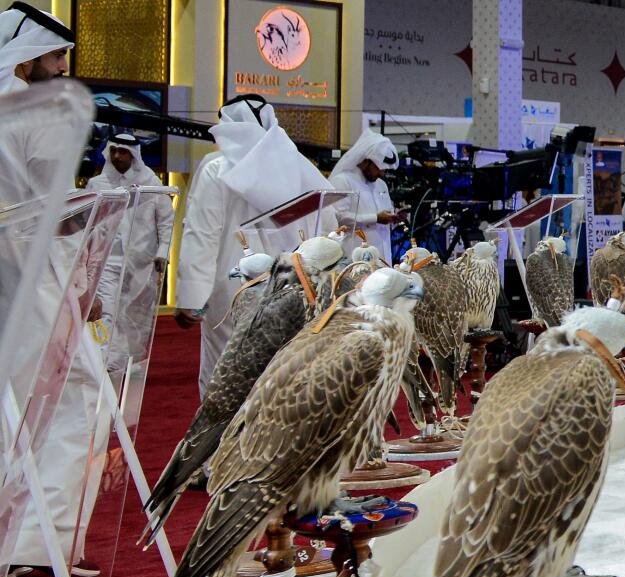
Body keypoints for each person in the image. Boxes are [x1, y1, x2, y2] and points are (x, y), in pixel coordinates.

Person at [0, 3, 109, 577]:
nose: (64, 65)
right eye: (56, 55)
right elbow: (54, 210)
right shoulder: (34, 117)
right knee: (74, 395)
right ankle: (37, 546)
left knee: (12, 406)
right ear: (24, 63)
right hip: (34, 274)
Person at [174, 94, 332, 396]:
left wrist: (191, 296)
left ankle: (224, 442)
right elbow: (323, 227)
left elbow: (202, 235)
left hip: (233, 289)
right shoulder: (297, 164)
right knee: (278, 374)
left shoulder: (215, 168)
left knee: (226, 374)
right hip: (289, 287)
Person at [86, 132, 175, 375]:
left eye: (123, 151)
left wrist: (163, 251)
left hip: (140, 261)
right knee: (106, 309)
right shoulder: (98, 185)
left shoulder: (151, 182)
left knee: (134, 314)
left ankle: (127, 360)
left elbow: (166, 220)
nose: (117, 156)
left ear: (134, 154)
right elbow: (87, 226)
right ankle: (103, 361)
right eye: (113, 150)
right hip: (105, 262)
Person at [329, 129, 400, 264]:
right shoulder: (342, 181)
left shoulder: (381, 185)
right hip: (355, 260)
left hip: (383, 258)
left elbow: (385, 215)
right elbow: (338, 218)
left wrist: (393, 218)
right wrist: (375, 218)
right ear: (366, 161)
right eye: (379, 168)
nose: (382, 173)